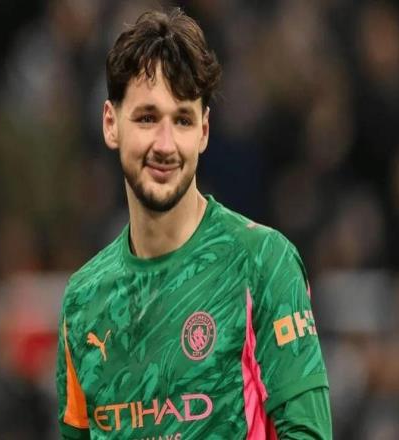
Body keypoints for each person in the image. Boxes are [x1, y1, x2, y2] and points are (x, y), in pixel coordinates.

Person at [56, 8, 332, 439]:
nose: (165, 145)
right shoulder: (82, 301)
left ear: (203, 131)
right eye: (147, 118)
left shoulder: (262, 263)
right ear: (111, 124)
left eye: (182, 120)